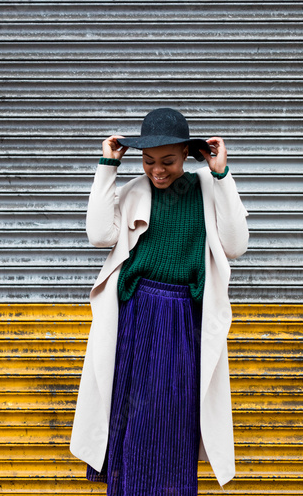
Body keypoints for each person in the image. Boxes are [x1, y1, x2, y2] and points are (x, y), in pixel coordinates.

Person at [69, 107, 249, 495]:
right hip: (136, 317)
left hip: (184, 320)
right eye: (149, 161)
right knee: (132, 422)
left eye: (168, 161)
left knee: (175, 420)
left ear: (187, 153)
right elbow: (99, 234)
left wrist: (223, 174)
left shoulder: (206, 188)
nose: (158, 170)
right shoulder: (135, 190)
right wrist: (107, 166)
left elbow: (236, 244)